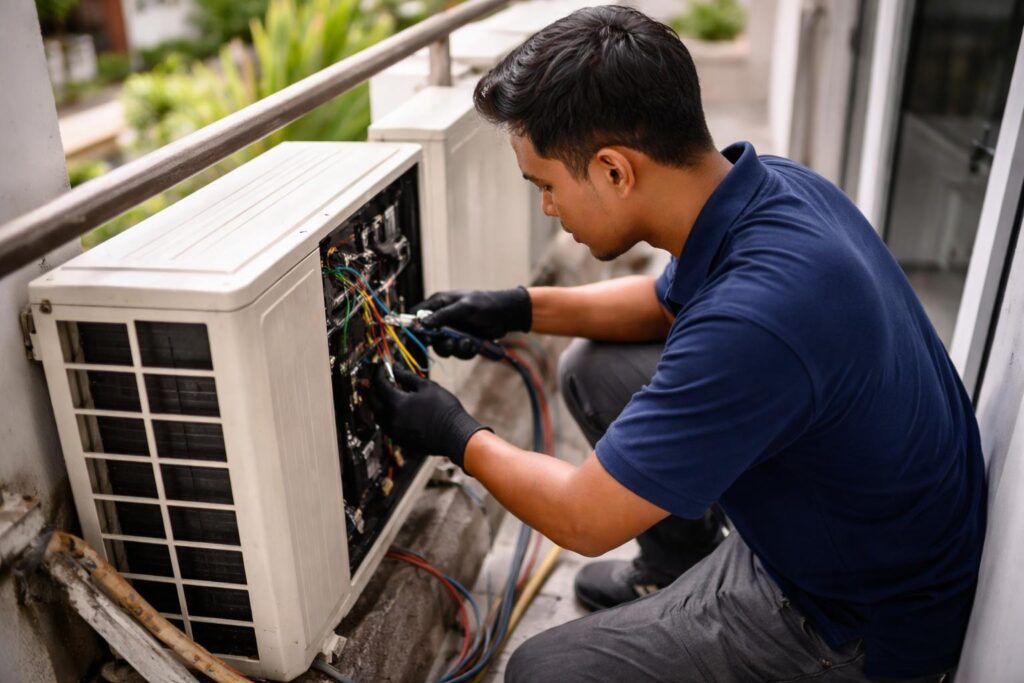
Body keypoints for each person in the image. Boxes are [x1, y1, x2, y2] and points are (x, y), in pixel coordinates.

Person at [371, 6, 985, 682]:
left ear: (613, 170)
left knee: (545, 671)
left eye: (546, 185)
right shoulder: (772, 186)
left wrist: (455, 431)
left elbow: (582, 515)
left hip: (856, 621)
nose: (548, 207)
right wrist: (516, 308)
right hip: (860, 529)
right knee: (593, 368)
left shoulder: (756, 324)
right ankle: (672, 574)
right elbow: (664, 304)